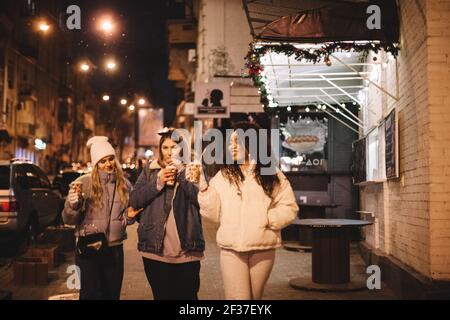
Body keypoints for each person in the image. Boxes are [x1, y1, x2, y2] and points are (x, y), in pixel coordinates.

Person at [198, 122, 298, 300]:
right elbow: (213, 214)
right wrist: (204, 188)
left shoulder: (271, 174)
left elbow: (289, 207)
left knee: (254, 298)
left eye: (237, 141)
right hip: (231, 250)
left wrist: (267, 219)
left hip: (263, 248)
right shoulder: (224, 175)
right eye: (231, 142)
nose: (232, 146)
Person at [128, 128, 205, 300]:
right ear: (160, 150)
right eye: (165, 147)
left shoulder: (192, 168)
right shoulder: (150, 169)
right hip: (155, 251)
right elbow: (134, 200)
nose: (170, 152)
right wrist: (158, 182)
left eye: (174, 147)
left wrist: (182, 174)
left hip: (187, 250)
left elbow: (202, 200)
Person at [62, 136, 135, 300]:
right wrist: (72, 205)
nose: (108, 164)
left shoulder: (124, 185)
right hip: (89, 248)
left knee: (111, 294)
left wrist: (128, 219)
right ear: (96, 164)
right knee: (89, 295)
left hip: (114, 248)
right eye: (102, 161)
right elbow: (68, 219)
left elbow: (128, 215)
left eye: (110, 159)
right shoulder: (83, 183)